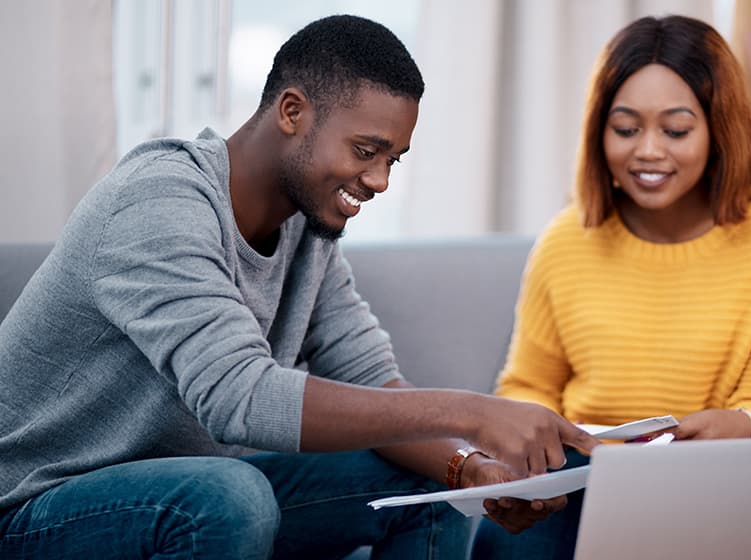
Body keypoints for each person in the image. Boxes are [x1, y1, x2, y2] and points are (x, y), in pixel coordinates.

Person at [0, 15, 599, 559]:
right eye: (367, 151)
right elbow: (242, 398)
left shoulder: (305, 231)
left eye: (394, 159)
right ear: (292, 112)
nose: (381, 180)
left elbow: (372, 379)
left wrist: (469, 469)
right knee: (230, 495)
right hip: (35, 508)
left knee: (426, 482)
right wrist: (473, 411)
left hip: (182, 492)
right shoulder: (159, 201)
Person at [471, 14, 751, 559]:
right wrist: (529, 452)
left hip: (716, 484)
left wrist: (742, 424)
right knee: (505, 539)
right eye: (626, 128)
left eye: (676, 130)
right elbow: (527, 386)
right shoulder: (568, 239)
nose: (648, 151)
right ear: (599, 131)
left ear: (718, 130)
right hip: (582, 477)